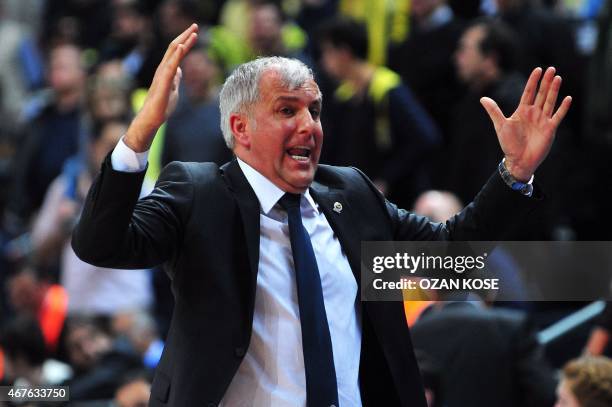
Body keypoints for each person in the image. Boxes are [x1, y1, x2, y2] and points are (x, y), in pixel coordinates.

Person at [72, 24, 571, 406]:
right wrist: (140, 134)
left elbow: (450, 252)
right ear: (240, 128)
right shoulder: (200, 192)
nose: (309, 126)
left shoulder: (348, 192)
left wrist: (515, 173)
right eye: (288, 111)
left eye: (314, 110)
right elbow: (100, 244)